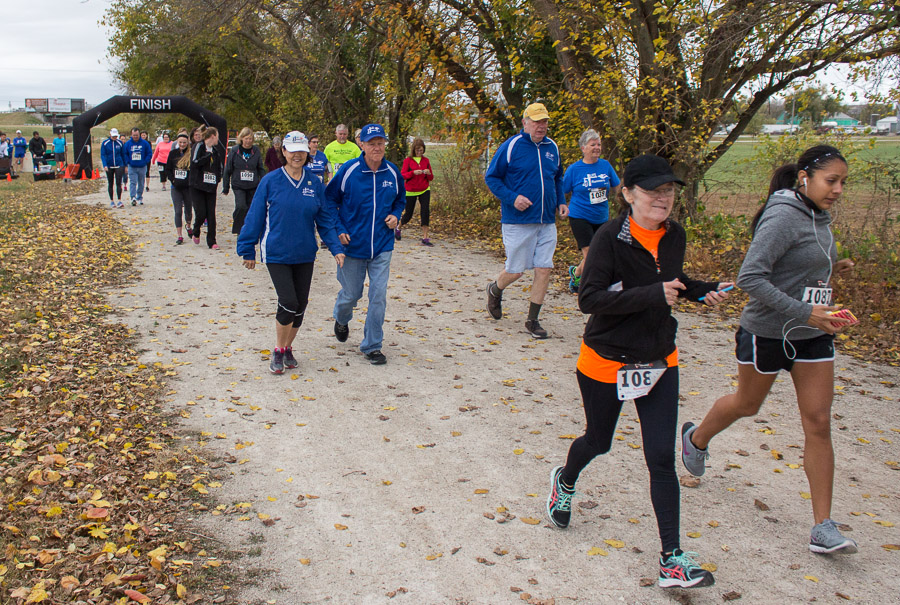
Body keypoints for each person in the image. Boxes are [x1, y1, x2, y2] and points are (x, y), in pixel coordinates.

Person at [545, 154, 732, 589]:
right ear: (628, 194)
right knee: (598, 441)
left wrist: (702, 291)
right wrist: (652, 294)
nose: (663, 199)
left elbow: (672, 280)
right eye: (653, 191)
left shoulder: (674, 234)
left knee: (661, 459)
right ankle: (565, 480)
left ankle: (671, 559)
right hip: (607, 359)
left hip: (659, 359)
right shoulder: (609, 238)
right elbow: (589, 299)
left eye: (668, 191)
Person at [681, 145, 858, 556]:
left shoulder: (819, 215)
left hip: (813, 334)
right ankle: (697, 438)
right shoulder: (782, 216)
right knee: (747, 405)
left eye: (843, 183)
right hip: (768, 332)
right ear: (805, 178)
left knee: (818, 422)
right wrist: (805, 311)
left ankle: (823, 527)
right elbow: (751, 277)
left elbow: (796, 266)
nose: (838, 190)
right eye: (831, 181)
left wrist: (831, 269)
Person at [237, 131, 346, 374]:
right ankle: (278, 350)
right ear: (283, 151)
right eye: (292, 151)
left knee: (300, 305)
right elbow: (254, 216)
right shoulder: (270, 181)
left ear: (308, 153)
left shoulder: (314, 183)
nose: (297, 155)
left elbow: (325, 220)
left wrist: (336, 248)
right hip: (277, 252)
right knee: (288, 301)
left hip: (305, 252)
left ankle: (287, 348)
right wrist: (247, 248)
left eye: (302, 151)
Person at [484, 102, 568, 339]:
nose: (541, 126)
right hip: (518, 220)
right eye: (536, 121)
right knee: (516, 271)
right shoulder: (512, 146)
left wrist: (561, 201)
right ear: (525, 122)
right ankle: (495, 289)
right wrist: (513, 198)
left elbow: (557, 177)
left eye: (544, 122)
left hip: (546, 220)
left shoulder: (552, 147)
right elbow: (492, 178)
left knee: (544, 268)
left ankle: (533, 321)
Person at [326, 123, 406, 365]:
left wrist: (396, 215)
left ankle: (372, 346)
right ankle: (341, 318)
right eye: (372, 144)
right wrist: (339, 229)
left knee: (378, 295)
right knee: (351, 294)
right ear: (362, 144)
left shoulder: (392, 172)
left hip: (382, 244)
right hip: (353, 245)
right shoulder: (349, 170)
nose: (377, 148)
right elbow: (329, 201)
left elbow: (400, 200)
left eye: (380, 143)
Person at [562, 129, 620, 293]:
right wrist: (561, 206)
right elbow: (562, 192)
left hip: (601, 217)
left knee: (599, 253)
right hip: (580, 216)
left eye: (599, 144)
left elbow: (618, 188)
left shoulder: (605, 166)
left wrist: (627, 204)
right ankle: (592, 289)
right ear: (583, 148)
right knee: (590, 255)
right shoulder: (574, 169)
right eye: (593, 144)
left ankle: (576, 273)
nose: (597, 147)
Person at [223, 127, 265, 234]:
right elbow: (228, 169)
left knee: (250, 208)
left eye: (250, 139)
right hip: (238, 185)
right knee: (241, 206)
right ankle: (238, 230)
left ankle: (248, 229)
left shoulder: (256, 151)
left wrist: (264, 183)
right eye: (246, 139)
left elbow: (260, 168)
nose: (248, 141)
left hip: (252, 185)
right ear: (241, 138)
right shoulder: (234, 150)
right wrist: (225, 186)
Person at [188, 127, 224, 249]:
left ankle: (212, 241)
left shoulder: (216, 151)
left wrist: (218, 178)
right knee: (201, 212)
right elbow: (194, 162)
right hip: (197, 185)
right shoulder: (199, 146)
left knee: (211, 214)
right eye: (217, 137)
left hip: (210, 186)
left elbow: (219, 167)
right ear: (212, 136)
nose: (218, 139)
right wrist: (207, 157)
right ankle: (196, 230)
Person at [398, 137, 435, 246]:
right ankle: (398, 227)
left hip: (424, 189)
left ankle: (425, 237)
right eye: (417, 150)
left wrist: (428, 173)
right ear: (413, 150)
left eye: (421, 150)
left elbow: (431, 178)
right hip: (411, 190)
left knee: (425, 212)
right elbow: (403, 175)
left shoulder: (426, 161)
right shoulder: (408, 161)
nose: (419, 152)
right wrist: (413, 173)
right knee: (408, 214)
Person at [165, 133, 193, 244]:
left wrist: (190, 181)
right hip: (176, 187)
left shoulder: (191, 154)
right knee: (177, 211)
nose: (182, 144)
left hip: (188, 187)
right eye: (180, 142)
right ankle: (179, 235)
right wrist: (172, 180)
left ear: (187, 143)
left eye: (184, 142)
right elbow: (168, 169)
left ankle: (188, 225)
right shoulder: (173, 154)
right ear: (177, 142)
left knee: (188, 209)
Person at [123, 127, 152, 205]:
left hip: (142, 166)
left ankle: (139, 197)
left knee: (141, 182)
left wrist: (145, 161)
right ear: (131, 135)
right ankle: (133, 197)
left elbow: (149, 153)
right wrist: (128, 162)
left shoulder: (145, 143)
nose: (135, 137)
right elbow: (125, 154)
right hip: (132, 166)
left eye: (137, 135)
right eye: (134, 135)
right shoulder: (128, 144)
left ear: (139, 135)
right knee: (133, 182)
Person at [100, 128, 127, 208]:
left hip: (119, 164)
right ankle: (112, 200)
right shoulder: (105, 143)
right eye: (113, 136)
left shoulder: (120, 143)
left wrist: (125, 165)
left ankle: (119, 200)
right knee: (110, 183)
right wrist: (105, 165)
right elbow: (103, 154)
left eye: (115, 136)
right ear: (110, 135)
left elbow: (123, 154)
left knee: (119, 182)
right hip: (109, 165)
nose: (114, 137)